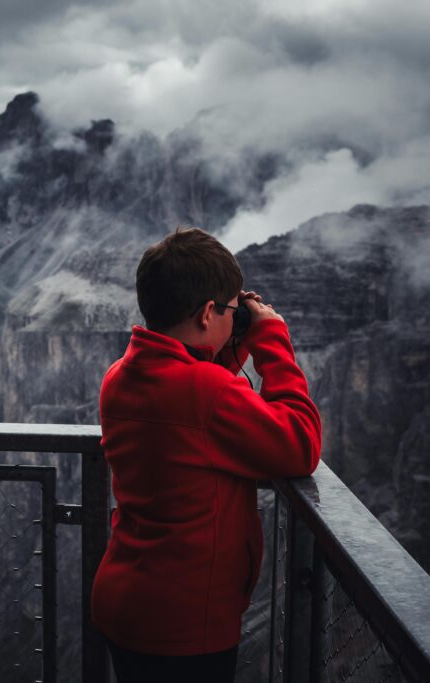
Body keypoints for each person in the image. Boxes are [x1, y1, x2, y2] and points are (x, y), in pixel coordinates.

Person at [91, 226, 322, 682]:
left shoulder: (120, 374)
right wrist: (271, 338)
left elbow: (196, 426)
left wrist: (228, 346)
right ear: (206, 314)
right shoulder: (207, 392)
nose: (237, 318)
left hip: (124, 598)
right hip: (184, 621)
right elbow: (301, 444)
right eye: (231, 311)